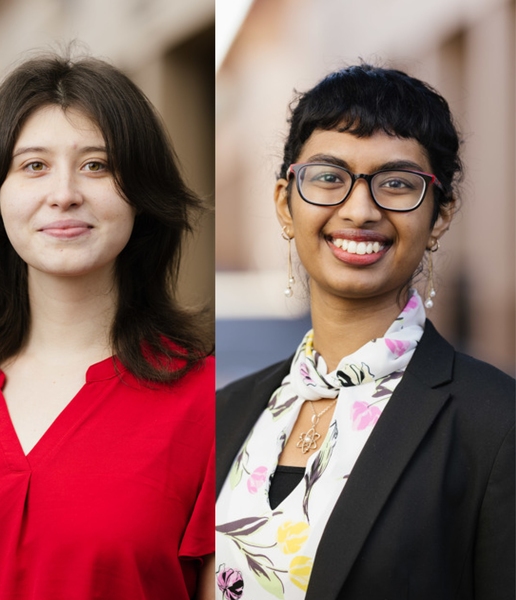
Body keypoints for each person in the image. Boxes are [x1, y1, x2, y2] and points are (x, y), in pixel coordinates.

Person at [0, 54, 215, 599]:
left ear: (141, 195)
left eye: (97, 165)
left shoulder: (208, 406)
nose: (64, 193)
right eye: (33, 166)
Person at [216, 64, 515, 599]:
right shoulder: (228, 412)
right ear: (286, 203)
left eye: (397, 184)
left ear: (440, 215)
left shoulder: (496, 425)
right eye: (329, 177)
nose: (359, 210)